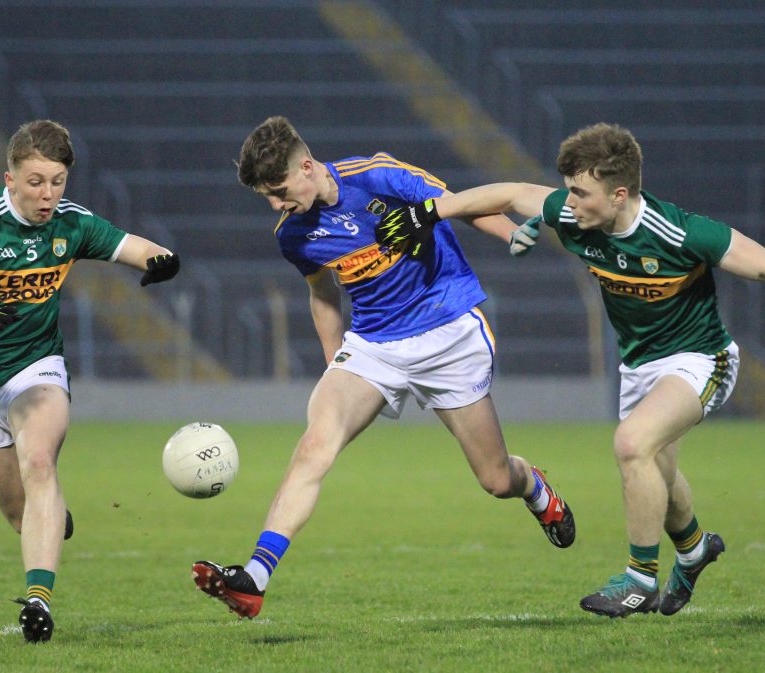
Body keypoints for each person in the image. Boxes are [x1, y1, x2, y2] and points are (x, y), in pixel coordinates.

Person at [376, 122, 765, 618]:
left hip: (700, 358)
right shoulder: (574, 214)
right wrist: (428, 213)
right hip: (639, 365)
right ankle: (692, 550)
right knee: (657, 471)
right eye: (568, 192)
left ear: (619, 194)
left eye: (581, 194)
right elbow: (508, 193)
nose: (569, 204)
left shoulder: (681, 232)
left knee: (631, 444)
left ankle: (640, 579)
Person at [191, 116, 576, 619]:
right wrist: (335, 363)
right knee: (314, 445)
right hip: (374, 345)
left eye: (279, 190)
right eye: (266, 196)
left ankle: (535, 487)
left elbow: (461, 203)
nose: (275, 204)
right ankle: (255, 578)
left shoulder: (379, 175)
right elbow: (323, 292)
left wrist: (509, 236)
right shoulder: (294, 233)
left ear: (306, 167)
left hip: (447, 331)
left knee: (496, 479)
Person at [0, 120, 180, 642]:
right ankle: (52, 517)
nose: (47, 194)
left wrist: (161, 262)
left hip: (35, 365)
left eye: (57, 181)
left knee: (38, 461)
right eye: (35, 182)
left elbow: (132, 246)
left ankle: (38, 601)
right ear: (8, 178)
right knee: (20, 511)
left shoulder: (71, 223)